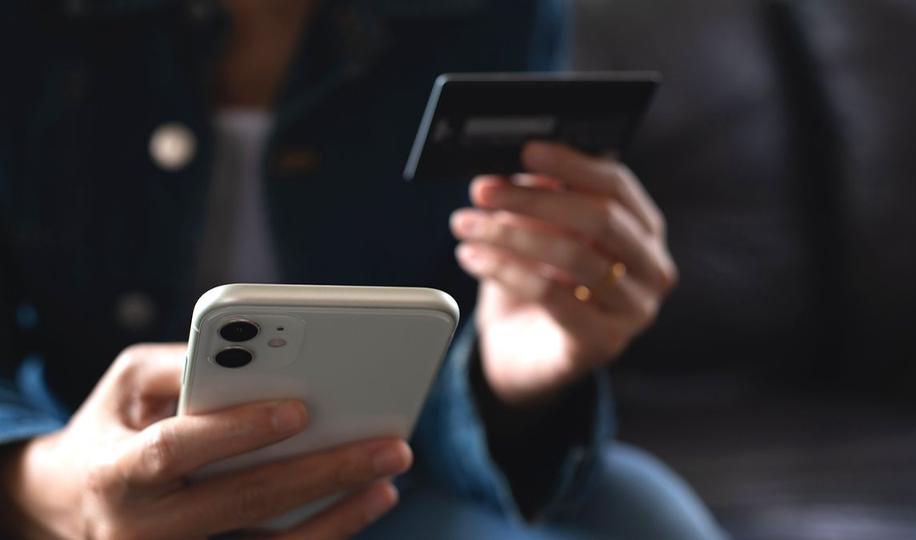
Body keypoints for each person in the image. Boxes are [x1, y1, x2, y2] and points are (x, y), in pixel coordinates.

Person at [0, 1, 726, 538]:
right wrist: (32, 483)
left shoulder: (495, 13)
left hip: (384, 474)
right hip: (74, 458)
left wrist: (503, 374)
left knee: (643, 513)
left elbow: (450, 359)